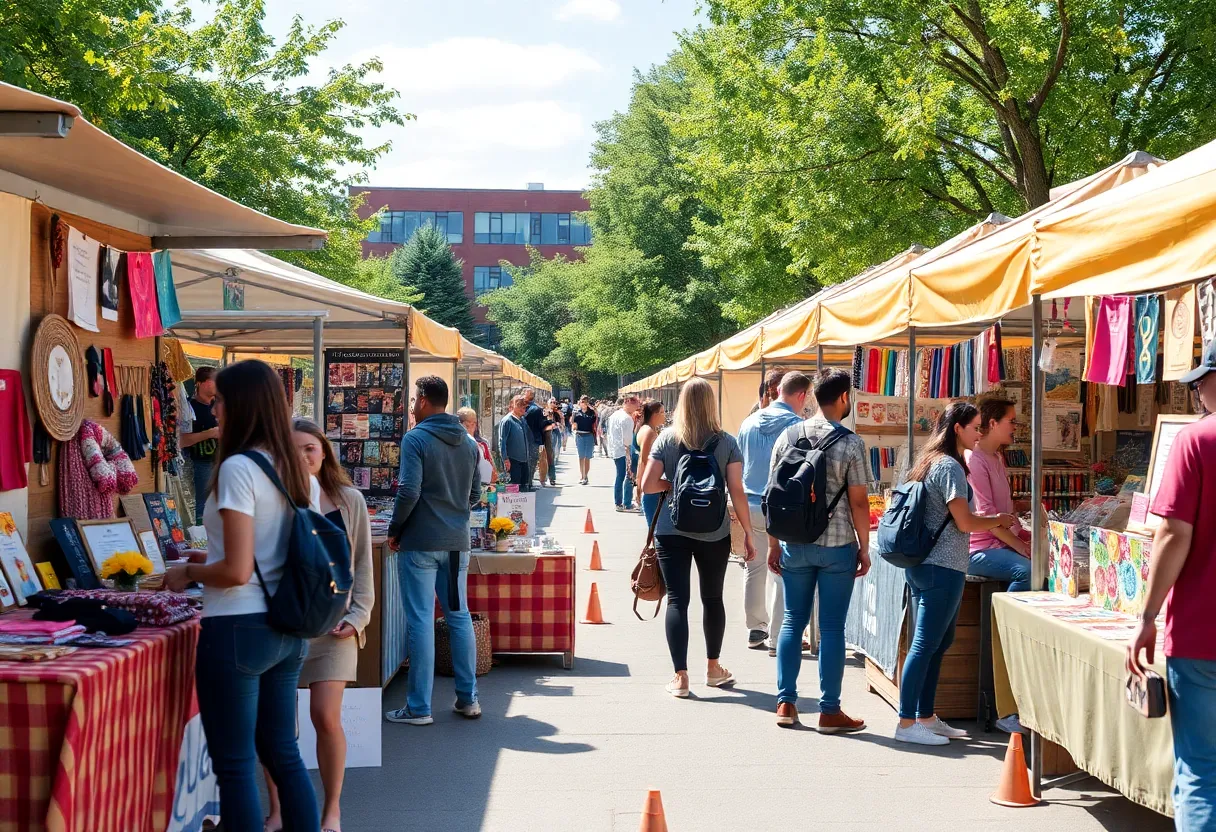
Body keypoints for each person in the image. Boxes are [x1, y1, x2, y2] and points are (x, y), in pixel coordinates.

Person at [162, 360, 320, 831]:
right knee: (283, 754)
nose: (214, 410)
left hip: (236, 626)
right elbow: (265, 550)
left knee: (234, 767)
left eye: (218, 401)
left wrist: (186, 572)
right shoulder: (297, 470)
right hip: (287, 626)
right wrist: (203, 554)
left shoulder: (237, 469)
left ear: (241, 404)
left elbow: (235, 569)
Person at [264, 418, 375, 832]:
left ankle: (332, 809)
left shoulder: (349, 500)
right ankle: (277, 810)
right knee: (277, 723)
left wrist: (358, 616)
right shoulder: (273, 499)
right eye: (291, 450)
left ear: (324, 451)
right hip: (284, 626)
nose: (302, 456)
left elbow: (362, 565)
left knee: (325, 716)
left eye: (309, 448)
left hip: (334, 627)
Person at [1128, 341, 1216, 829]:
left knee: (1202, 772)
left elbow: (1173, 533)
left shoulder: (1198, 440)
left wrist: (1146, 618)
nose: (1199, 391)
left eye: (1203, 381)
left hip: (1203, 635)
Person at [895, 402, 1015, 746]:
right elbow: (965, 521)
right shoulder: (949, 466)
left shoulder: (935, 461)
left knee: (938, 643)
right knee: (925, 644)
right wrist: (998, 520)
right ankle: (906, 723)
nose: (979, 433)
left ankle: (926, 715)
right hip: (940, 566)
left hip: (931, 565)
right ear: (957, 429)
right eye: (976, 427)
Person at [767, 369, 871, 731]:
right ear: (843, 398)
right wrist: (865, 547)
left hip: (794, 543)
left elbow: (772, 497)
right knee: (831, 628)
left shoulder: (788, 435)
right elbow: (859, 503)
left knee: (792, 621)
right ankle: (829, 710)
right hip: (838, 545)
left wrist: (773, 545)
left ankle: (786, 703)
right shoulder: (851, 443)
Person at [639, 378, 756, 697]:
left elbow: (647, 486)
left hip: (671, 530)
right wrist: (747, 532)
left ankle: (681, 677)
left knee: (678, 600)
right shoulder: (727, 442)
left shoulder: (666, 440)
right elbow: (737, 491)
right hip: (714, 530)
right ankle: (714, 668)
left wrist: (674, 486)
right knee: (713, 599)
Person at [385, 376, 482, 726]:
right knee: (458, 616)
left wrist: (396, 528)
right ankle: (468, 698)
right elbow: (475, 495)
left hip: (421, 542)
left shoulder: (416, 438)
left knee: (421, 620)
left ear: (423, 400)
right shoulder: (468, 442)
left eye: (414, 399)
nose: (412, 405)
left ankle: (419, 707)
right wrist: (456, 510)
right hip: (456, 542)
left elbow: (409, 490)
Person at [737, 371, 808, 651]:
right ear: (800, 395)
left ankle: (756, 627)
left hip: (751, 503)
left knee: (754, 566)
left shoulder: (749, 422)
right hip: (783, 507)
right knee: (782, 569)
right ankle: (778, 636)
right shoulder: (797, 426)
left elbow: (739, 465)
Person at [966, 397, 1031, 592]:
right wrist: (1020, 546)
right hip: (979, 548)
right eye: (1011, 421)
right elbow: (988, 515)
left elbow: (1004, 509)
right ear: (993, 423)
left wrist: (1023, 535)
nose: (1015, 427)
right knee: (1027, 571)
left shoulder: (996, 457)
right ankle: (1003, 621)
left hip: (999, 542)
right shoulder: (975, 460)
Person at [180, 366, 219, 519]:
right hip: (200, 463)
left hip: (221, 461)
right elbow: (182, 440)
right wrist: (209, 434)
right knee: (202, 506)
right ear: (203, 383)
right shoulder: (189, 408)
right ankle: (201, 538)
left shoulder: (220, 404)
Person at [607, 395, 641, 512]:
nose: (638, 407)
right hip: (624, 450)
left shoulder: (615, 415)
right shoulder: (627, 418)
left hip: (616, 449)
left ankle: (619, 502)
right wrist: (629, 454)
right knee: (628, 475)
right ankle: (625, 503)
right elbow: (628, 440)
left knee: (620, 476)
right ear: (628, 403)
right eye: (636, 404)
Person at [635, 400, 666, 525]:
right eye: (662, 412)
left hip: (650, 482)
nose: (665, 415)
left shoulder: (646, 429)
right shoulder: (649, 432)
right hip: (652, 483)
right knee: (654, 526)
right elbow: (643, 461)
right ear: (654, 414)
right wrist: (639, 486)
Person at [522, 388, 553, 490]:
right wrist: (549, 422)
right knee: (531, 463)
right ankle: (528, 483)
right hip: (534, 439)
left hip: (526, 439)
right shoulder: (536, 409)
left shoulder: (525, 408)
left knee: (527, 463)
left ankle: (527, 483)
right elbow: (541, 425)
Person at [459, 406, 497, 487]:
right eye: (467, 424)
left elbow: (493, 472)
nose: (471, 427)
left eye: (473, 423)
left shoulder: (483, 444)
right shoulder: (457, 443)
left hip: (482, 485)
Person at [499, 396, 530, 487]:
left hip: (524, 459)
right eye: (520, 406)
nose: (522, 409)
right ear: (513, 405)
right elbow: (502, 441)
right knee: (514, 488)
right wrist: (505, 459)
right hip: (513, 460)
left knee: (524, 486)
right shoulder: (507, 421)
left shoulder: (522, 420)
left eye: (524, 407)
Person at [571, 396, 599, 485]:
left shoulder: (591, 413)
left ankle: (585, 476)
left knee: (587, 457)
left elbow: (596, 421)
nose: (583, 403)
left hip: (589, 435)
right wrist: (572, 416)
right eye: (582, 402)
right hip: (579, 435)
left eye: (585, 402)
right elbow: (573, 423)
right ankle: (582, 475)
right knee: (581, 456)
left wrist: (595, 410)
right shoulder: (577, 413)